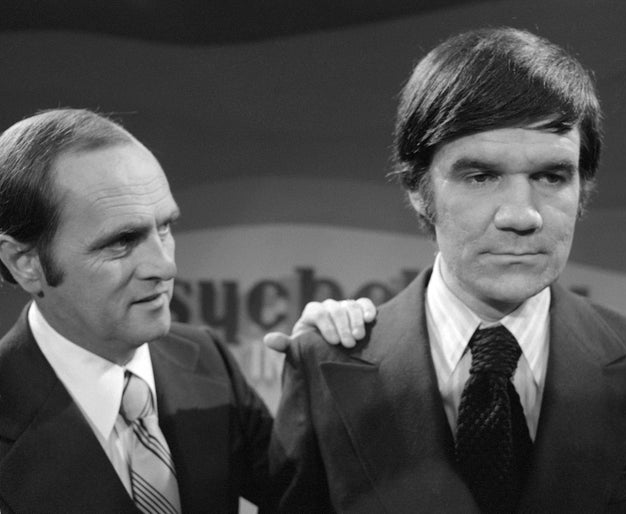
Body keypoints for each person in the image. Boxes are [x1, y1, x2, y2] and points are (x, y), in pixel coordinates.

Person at [267, 27, 626, 512]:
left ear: (582, 188)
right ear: (418, 187)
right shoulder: (324, 368)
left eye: (551, 176)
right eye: (481, 177)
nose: (521, 215)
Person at [0, 108, 374, 513]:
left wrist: (318, 378)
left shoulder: (205, 359)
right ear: (25, 262)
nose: (165, 266)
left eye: (165, 227)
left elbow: (300, 500)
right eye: (122, 241)